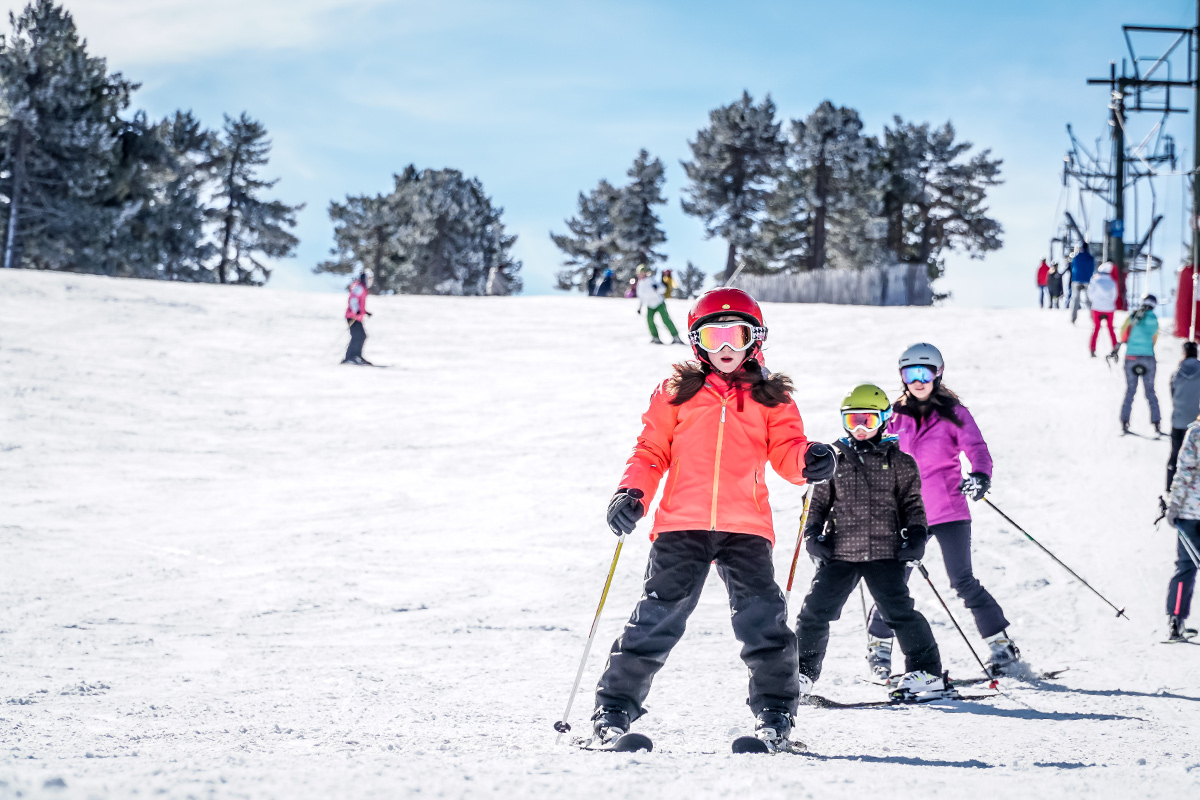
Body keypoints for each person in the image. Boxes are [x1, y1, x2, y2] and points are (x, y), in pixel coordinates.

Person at [592, 287, 838, 752]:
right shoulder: (675, 392)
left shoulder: (772, 396)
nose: (726, 348)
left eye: (736, 335)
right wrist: (632, 493)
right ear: (697, 342)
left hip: (745, 527)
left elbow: (787, 452)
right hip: (680, 525)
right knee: (656, 618)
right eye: (715, 336)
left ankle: (775, 714)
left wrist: (810, 459)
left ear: (754, 339)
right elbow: (650, 450)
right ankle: (613, 712)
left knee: (763, 620)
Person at [866, 343, 1020, 677]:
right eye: (910, 374)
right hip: (906, 514)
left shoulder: (955, 414)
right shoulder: (893, 416)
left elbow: (977, 448)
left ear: (937, 374)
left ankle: (1002, 647)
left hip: (949, 509)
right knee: (893, 583)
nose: (917, 380)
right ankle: (879, 650)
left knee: (962, 580)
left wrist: (980, 476)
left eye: (924, 373)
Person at [797, 384, 945, 698]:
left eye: (868, 420)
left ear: (884, 419)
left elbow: (913, 506)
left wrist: (917, 536)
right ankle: (798, 675)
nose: (861, 429)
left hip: (885, 553)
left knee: (899, 612)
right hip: (841, 554)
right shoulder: (834, 460)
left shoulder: (901, 462)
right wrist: (812, 535)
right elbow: (816, 504)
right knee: (813, 612)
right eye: (853, 421)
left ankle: (926, 673)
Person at [1164, 421, 1200, 642]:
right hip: (1190, 513)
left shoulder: (1196, 432)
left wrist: (1174, 505)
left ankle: (1176, 620)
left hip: (1189, 512)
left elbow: (1184, 470)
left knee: (1186, 568)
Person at [1119, 294, 1161, 435]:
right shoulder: (1154, 320)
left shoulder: (1133, 316)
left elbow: (1123, 335)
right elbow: (1154, 339)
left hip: (1131, 357)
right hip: (1148, 357)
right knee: (1150, 391)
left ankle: (1124, 421)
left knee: (1130, 391)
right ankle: (1156, 423)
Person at [1169, 342, 1200, 488]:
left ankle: (1170, 488)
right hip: (1197, 424)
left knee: (1176, 454)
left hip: (1179, 420)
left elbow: (1173, 393)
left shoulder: (1177, 373)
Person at [635, 265, 684, 345]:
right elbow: (641, 298)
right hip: (650, 305)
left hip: (659, 303)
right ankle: (655, 337)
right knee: (649, 320)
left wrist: (657, 288)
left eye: (643, 272)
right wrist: (640, 307)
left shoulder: (651, 280)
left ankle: (675, 336)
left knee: (666, 319)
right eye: (640, 273)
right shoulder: (640, 284)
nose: (641, 274)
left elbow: (662, 289)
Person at [1088, 262, 1118, 358]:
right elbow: (1114, 296)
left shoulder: (1095, 281)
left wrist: (1096, 302)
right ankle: (1115, 348)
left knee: (1096, 328)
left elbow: (1090, 295)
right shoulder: (1113, 283)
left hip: (1097, 307)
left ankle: (1092, 349)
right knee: (1110, 328)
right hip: (1109, 309)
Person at [343, 270, 373, 366]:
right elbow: (353, 299)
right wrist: (356, 310)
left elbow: (358, 302)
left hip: (356, 317)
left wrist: (365, 312)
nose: (370, 281)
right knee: (358, 336)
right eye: (369, 278)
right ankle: (351, 357)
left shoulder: (362, 288)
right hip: (353, 316)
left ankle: (356, 356)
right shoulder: (359, 287)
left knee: (360, 336)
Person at [1069, 243, 1096, 324]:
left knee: (1076, 299)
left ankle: (1073, 318)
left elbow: (1073, 267)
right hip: (1087, 280)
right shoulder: (1090, 258)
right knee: (1089, 300)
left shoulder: (1077, 257)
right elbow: (1092, 269)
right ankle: (1093, 318)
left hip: (1077, 280)